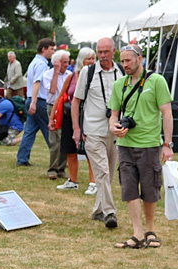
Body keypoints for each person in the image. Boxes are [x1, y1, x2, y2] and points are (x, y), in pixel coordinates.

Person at [109, 43, 174, 249]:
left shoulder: (156, 81)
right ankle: (137, 233)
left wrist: (167, 144)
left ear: (140, 58)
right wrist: (114, 128)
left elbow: (167, 113)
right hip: (125, 145)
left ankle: (150, 230)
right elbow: (113, 116)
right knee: (129, 189)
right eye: (122, 61)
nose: (125, 64)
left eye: (128, 60)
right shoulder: (120, 84)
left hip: (150, 145)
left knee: (150, 188)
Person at [73, 37, 125, 229]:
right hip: (93, 131)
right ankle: (110, 212)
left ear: (114, 51)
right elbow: (76, 101)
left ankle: (97, 210)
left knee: (109, 175)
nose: (102, 56)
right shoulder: (88, 72)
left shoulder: (121, 71)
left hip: (115, 130)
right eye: (99, 52)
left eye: (106, 52)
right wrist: (77, 129)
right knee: (102, 172)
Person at [54, 48, 96, 192]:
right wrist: (53, 116)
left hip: (88, 116)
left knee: (90, 150)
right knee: (70, 149)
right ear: (81, 60)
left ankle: (93, 182)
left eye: (93, 58)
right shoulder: (72, 77)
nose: (91, 61)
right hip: (69, 116)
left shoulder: (96, 76)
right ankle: (73, 180)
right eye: (88, 58)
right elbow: (60, 96)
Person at [15, 38, 56, 167]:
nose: (53, 52)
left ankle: (22, 159)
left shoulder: (34, 62)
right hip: (39, 101)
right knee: (49, 130)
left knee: (30, 131)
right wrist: (34, 102)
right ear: (44, 49)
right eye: (51, 49)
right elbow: (37, 82)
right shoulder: (42, 65)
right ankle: (58, 159)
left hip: (32, 100)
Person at [42, 49, 70, 179]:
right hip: (53, 107)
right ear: (57, 62)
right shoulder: (48, 74)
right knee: (55, 140)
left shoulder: (70, 74)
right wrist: (56, 72)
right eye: (64, 62)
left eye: (68, 62)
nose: (67, 65)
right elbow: (52, 90)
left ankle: (61, 168)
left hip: (66, 108)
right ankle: (52, 168)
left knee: (65, 138)